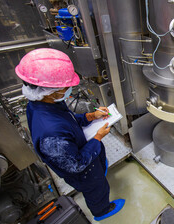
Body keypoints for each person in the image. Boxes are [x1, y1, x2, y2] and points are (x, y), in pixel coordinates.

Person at [15, 48, 125, 221]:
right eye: (66, 86)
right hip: (85, 172)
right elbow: (76, 164)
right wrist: (97, 138)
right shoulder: (51, 136)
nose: (69, 89)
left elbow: (68, 121)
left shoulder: (42, 104)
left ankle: (100, 182)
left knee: (98, 179)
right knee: (97, 190)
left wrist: (90, 116)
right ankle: (102, 211)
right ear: (49, 90)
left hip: (86, 157)